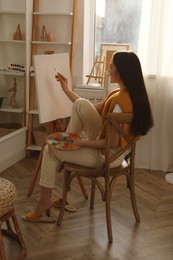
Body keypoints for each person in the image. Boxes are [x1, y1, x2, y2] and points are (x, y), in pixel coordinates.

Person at [22, 51, 153, 222]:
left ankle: (43, 203)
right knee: (81, 104)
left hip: (108, 155)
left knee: (49, 150)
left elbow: (111, 142)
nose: (108, 69)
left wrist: (81, 143)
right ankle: (67, 147)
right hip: (112, 150)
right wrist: (66, 89)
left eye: (111, 66)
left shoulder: (119, 102)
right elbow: (86, 107)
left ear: (120, 72)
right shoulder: (121, 95)